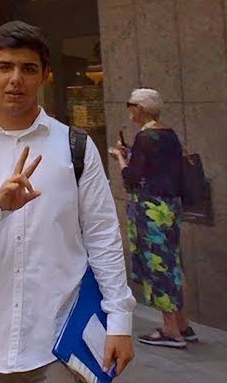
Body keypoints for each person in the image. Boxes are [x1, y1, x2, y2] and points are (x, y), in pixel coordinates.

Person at [0, 22, 135, 382]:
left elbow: (103, 237)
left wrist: (120, 322)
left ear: (45, 76)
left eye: (28, 68)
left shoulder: (75, 148)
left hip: (60, 344)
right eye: (5, 67)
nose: (16, 79)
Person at [113, 88, 197, 348]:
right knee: (172, 263)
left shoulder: (145, 137)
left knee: (158, 264)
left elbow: (131, 178)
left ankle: (171, 330)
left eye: (131, 106)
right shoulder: (169, 134)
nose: (130, 112)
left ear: (139, 109)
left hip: (150, 208)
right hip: (170, 206)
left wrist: (119, 158)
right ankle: (183, 324)